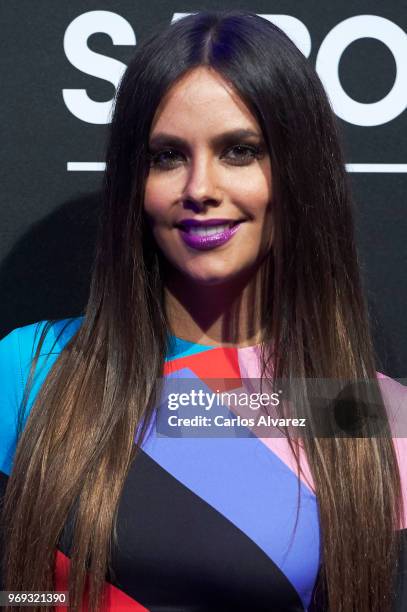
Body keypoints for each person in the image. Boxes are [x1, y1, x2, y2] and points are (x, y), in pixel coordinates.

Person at [0, 9, 406, 612]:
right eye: (166, 156)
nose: (198, 188)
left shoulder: (362, 409)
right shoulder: (30, 370)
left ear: (298, 172)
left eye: (239, 151)